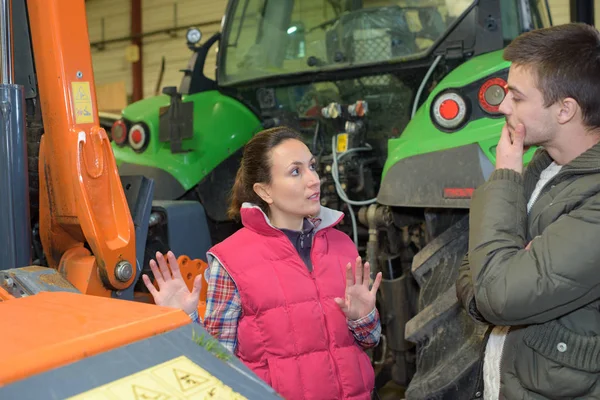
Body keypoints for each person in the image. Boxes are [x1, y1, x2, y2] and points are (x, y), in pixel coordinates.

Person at [143, 127, 383, 400]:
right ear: (264, 191)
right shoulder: (231, 260)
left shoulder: (342, 245)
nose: (314, 179)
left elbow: (370, 340)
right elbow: (218, 363)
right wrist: (185, 321)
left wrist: (362, 318)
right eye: (296, 171)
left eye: (312, 167)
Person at [456, 23, 600, 399]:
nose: (503, 106)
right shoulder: (543, 166)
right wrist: (496, 276)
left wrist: (504, 177)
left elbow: (497, 294)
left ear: (565, 109)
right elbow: (475, 265)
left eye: (517, 97)